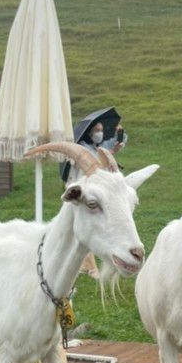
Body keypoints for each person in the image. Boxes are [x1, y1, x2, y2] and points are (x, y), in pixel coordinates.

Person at [66, 117, 128, 278]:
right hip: (81, 190)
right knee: (87, 226)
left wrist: (119, 133)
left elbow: (115, 144)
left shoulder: (97, 146)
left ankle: (84, 265)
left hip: (97, 191)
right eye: (97, 131)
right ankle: (91, 267)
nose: (100, 134)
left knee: (91, 226)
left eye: (101, 130)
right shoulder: (81, 147)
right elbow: (90, 163)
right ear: (89, 132)